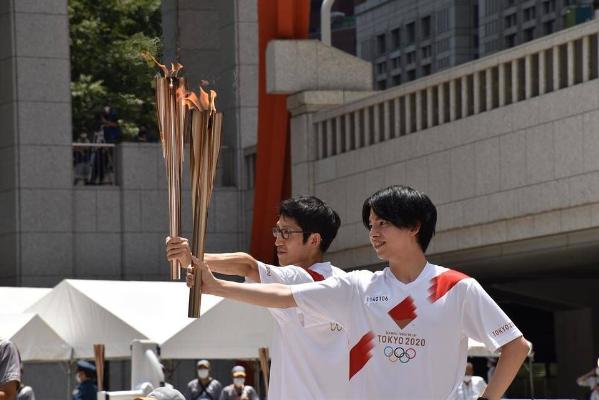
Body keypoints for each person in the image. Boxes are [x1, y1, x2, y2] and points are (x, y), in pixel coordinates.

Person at [186, 185, 531, 400]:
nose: (374, 233)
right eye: (371, 225)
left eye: (383, 223)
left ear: (413, 227)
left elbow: (516, 346)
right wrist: (217, 287)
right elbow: (285, 296)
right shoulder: (358, 286)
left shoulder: (456, 288)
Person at [167, 196, 349, 399]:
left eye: (286, 232)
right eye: (277, 231)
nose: (278, 240)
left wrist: (191, 258)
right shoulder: (346, 282)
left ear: (314, 240)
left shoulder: (301, 278)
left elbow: (248, 266)